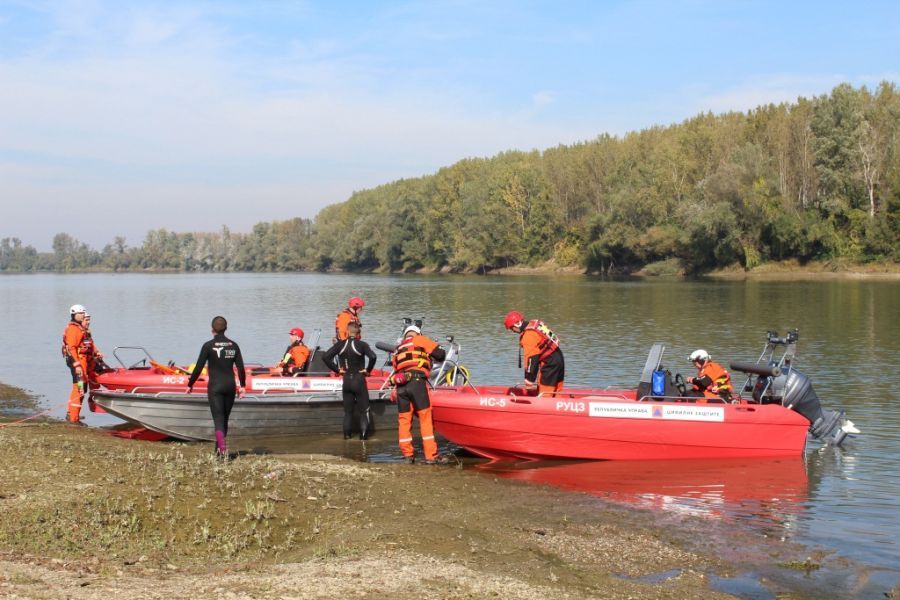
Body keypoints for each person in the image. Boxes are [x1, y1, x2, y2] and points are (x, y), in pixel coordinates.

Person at [186, 316, 246, 458]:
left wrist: (190, 384)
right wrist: (242, 386)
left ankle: (222, 451)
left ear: (212, 329)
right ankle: (218, 452)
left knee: (218, 420)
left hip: (215, 387)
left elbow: (199, 367)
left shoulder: (208, 346)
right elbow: (241, 368)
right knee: (224, 419)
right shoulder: (234, 345)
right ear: (226, 328)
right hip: (230, 386)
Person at [390, 324, 447, 464]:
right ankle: (431, 455)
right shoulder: (420, 340)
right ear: (418, 333)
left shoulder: (398, 349)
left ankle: (408, 455)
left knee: (404, 420)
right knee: (425, 417)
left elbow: (396, 368)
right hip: (417, 381)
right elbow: (440, 355)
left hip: (401, 385)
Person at [323, 322, 377, 439]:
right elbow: (373, 356)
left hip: (346, 380)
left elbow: (325, 357)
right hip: (359, 379)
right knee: (364, 411)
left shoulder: (340, 345)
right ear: (359, 333)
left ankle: (347, 438)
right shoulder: (362, 344)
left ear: (347, 331)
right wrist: (368, 370)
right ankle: (363, 440)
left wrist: (337, 370)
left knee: (348, 412)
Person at [503, 311, 565, 397]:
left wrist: (529, 381)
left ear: (517, 324)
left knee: (545, 394)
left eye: (511, 328)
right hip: (558, 357)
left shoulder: (528, 336)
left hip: (550, 363)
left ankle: (544, 408)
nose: (512, 331)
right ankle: (558, 406)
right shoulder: (534, 324)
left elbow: (532, 360)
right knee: (557, 391)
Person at [61, 304, 89, 424]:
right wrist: (77, 365)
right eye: (80, 313)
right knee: (79, 388)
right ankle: (74, 418)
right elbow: (71, 348)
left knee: (82, 388)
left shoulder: (79, 328)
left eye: (83, 313)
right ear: (74, 315)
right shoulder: (73, 329)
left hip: (80, 361)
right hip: (76, 362)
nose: (83, 315)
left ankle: (72, 413)